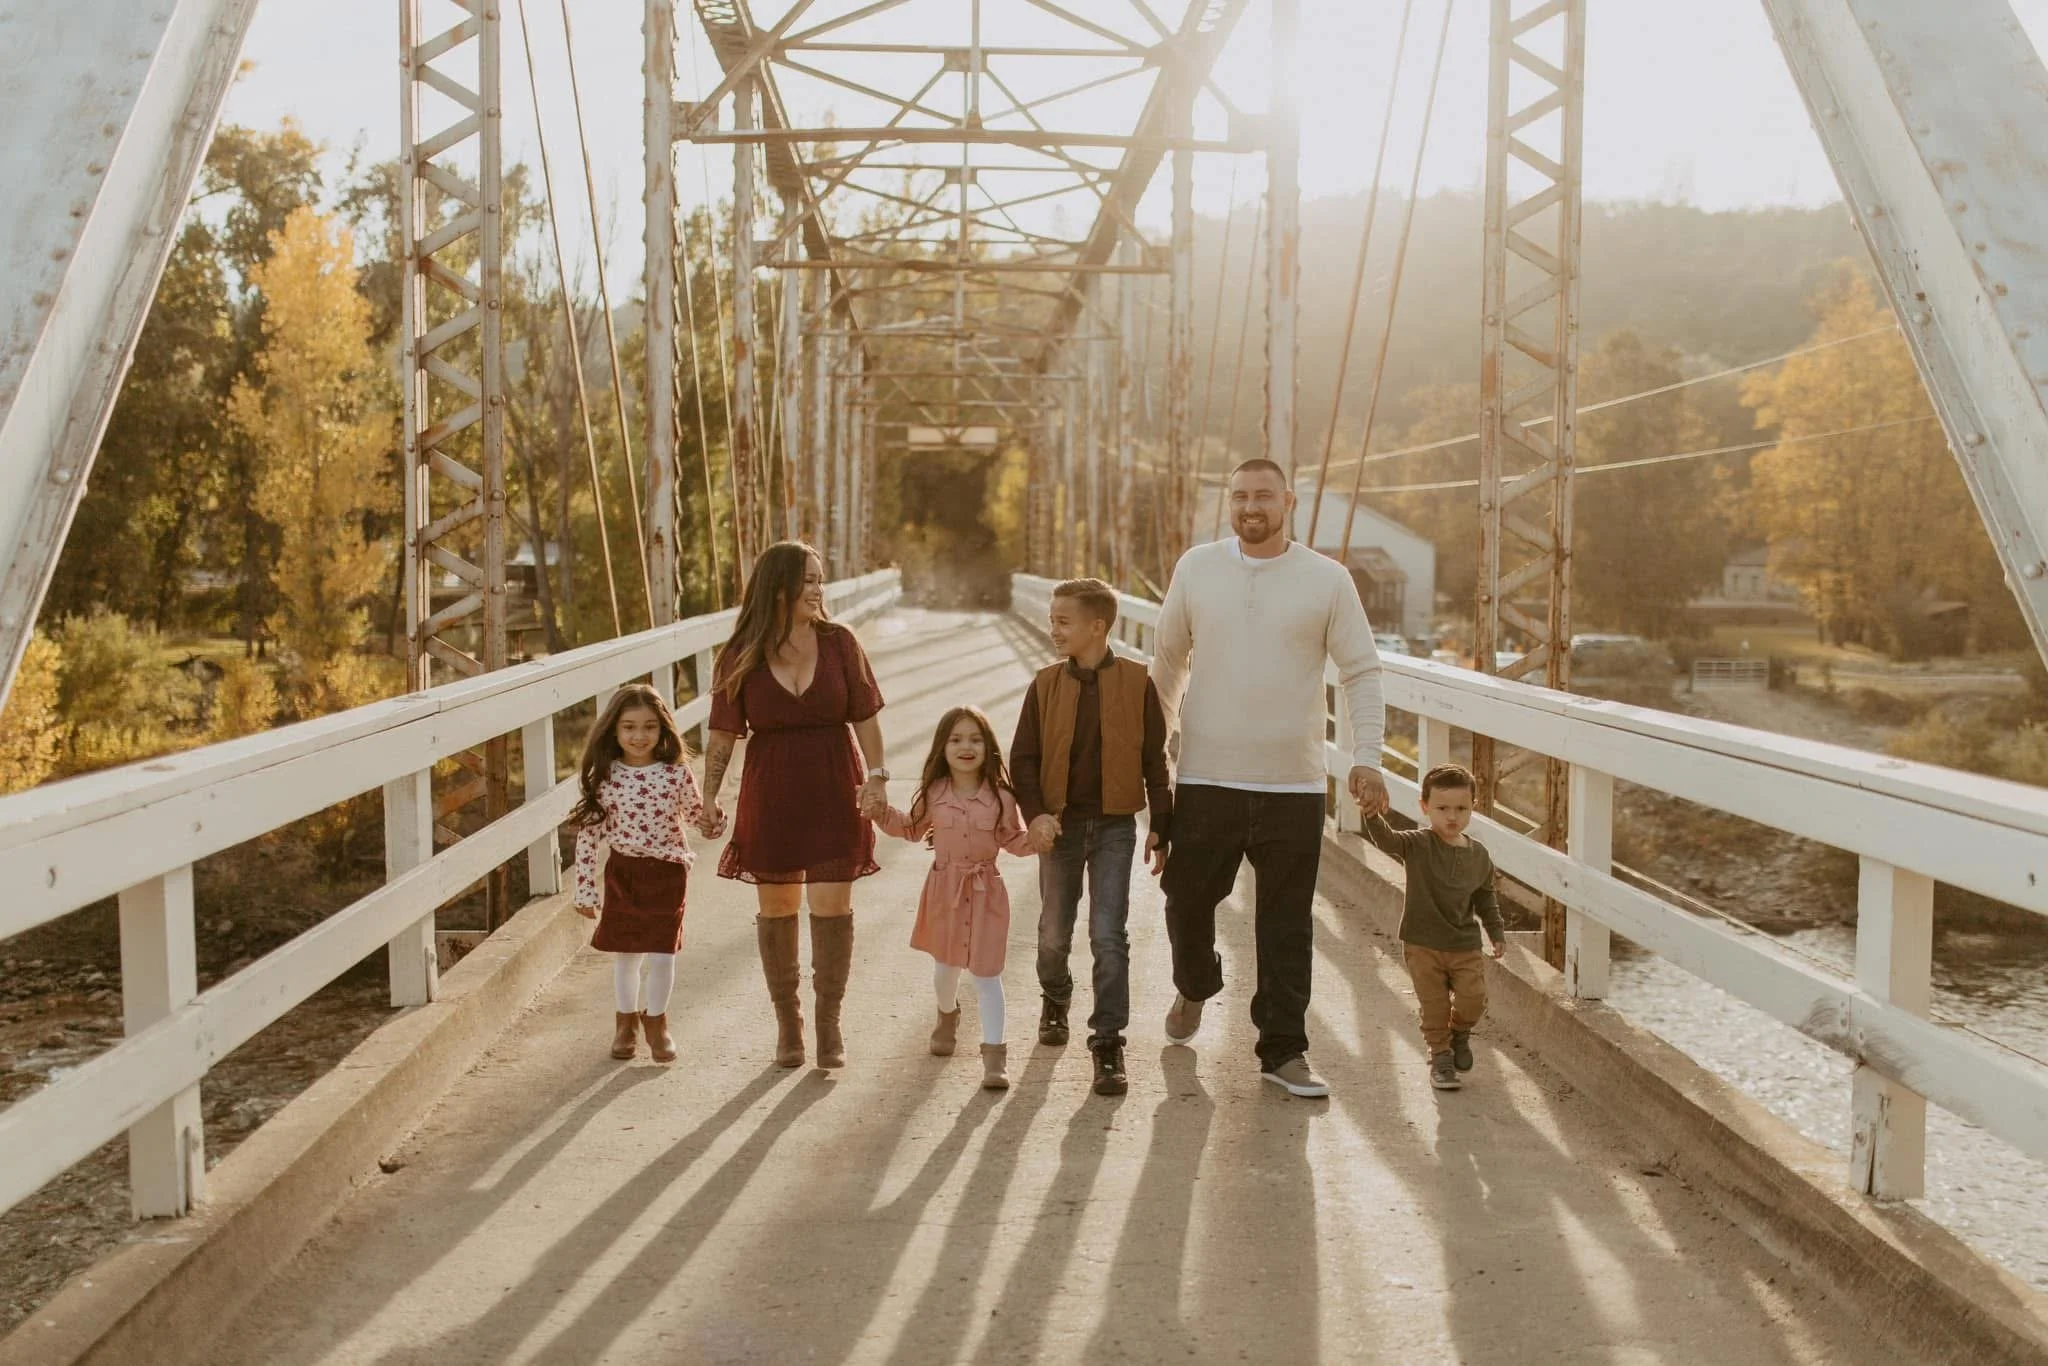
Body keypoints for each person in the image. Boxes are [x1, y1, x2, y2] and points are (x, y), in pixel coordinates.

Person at [1150, 458, 1390, 1099]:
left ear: (1288, 501)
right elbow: (1168, 659)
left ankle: (1283, 1051)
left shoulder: (1327, 579)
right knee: (1185, 900)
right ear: (1229, 504)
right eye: (1239, 497)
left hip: (1294, 784)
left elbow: (1362, 671)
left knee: (1286, 925)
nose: (1250, 506)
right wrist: (1152, 755)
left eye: (1262, 496)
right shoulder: (1197, 567)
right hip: (1206, 777)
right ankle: (1196, 984)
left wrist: (1366, 754)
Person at [701, 542, 889, 1071]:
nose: (817, 589)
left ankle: (829, 1026)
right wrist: (710, 797)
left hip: (835, 784)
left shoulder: (839, 643)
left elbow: (866, 717)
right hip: (772, 789)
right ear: (777, 584)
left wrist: (877, 778)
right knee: (777, 910)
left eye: (820, 579)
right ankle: (789, 1026)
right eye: (808, 579)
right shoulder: (740, 653)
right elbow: (721, 735)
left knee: (832, 908)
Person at [1009, 577, 1172, 1096]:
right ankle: (1056, 996)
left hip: (1114, 828)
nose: (1052, 628)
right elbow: (1023, 760)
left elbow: (1154, 763)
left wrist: (1162, 828)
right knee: (1053, 933)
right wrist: (1034, 815)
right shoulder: (1044, 684)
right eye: (1052, 619)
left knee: (1108, 934)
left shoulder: (1137, 683)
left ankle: (1107, 1040)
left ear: (1098, 626)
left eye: (1063, 621)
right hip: (1058, 827)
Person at [873, 706, 1036, 1091]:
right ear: (942, 748)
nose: (967, 747)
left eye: (976, 739)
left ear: (989, 748)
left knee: (986, 974)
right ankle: (947, 1014)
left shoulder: (1002, 798)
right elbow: (911, 828)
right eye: (957, 739)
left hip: (986, 894)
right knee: (946, 971)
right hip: (945, 892)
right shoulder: (935, 793)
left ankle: (995, 1057)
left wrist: (1041, 838)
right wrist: (878, 811)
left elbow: (1014, 840)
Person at [570, 683, 711, 1065]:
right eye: (629, 727)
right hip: (625, 872)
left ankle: (657, 1023)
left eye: (649, 727)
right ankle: (625, 1024)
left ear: (663, 729)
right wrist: (585, 889)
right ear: (614, 731)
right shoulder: (606, 777)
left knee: (664, 954)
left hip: (668, 872)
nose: (639, 735)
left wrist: (716, 820)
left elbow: (698, 817)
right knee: (628, 954)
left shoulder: (676, 774)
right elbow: (589, 837)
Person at [1363, 763, 1506, 1091]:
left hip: (1464, 943)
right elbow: (1388, 840)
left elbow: (1485, 898)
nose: (1452, 817)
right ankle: (1441, 1057)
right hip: (1422, 943)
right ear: (1425, 807)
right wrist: (1372, 815)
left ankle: (1459, 1032)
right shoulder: (1418, 844)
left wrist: (1496, 934)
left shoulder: (1479, 855)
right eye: (1442, 808)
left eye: (1461, 809)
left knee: (1474, 998)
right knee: (1434, 1005)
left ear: (1473, 808)